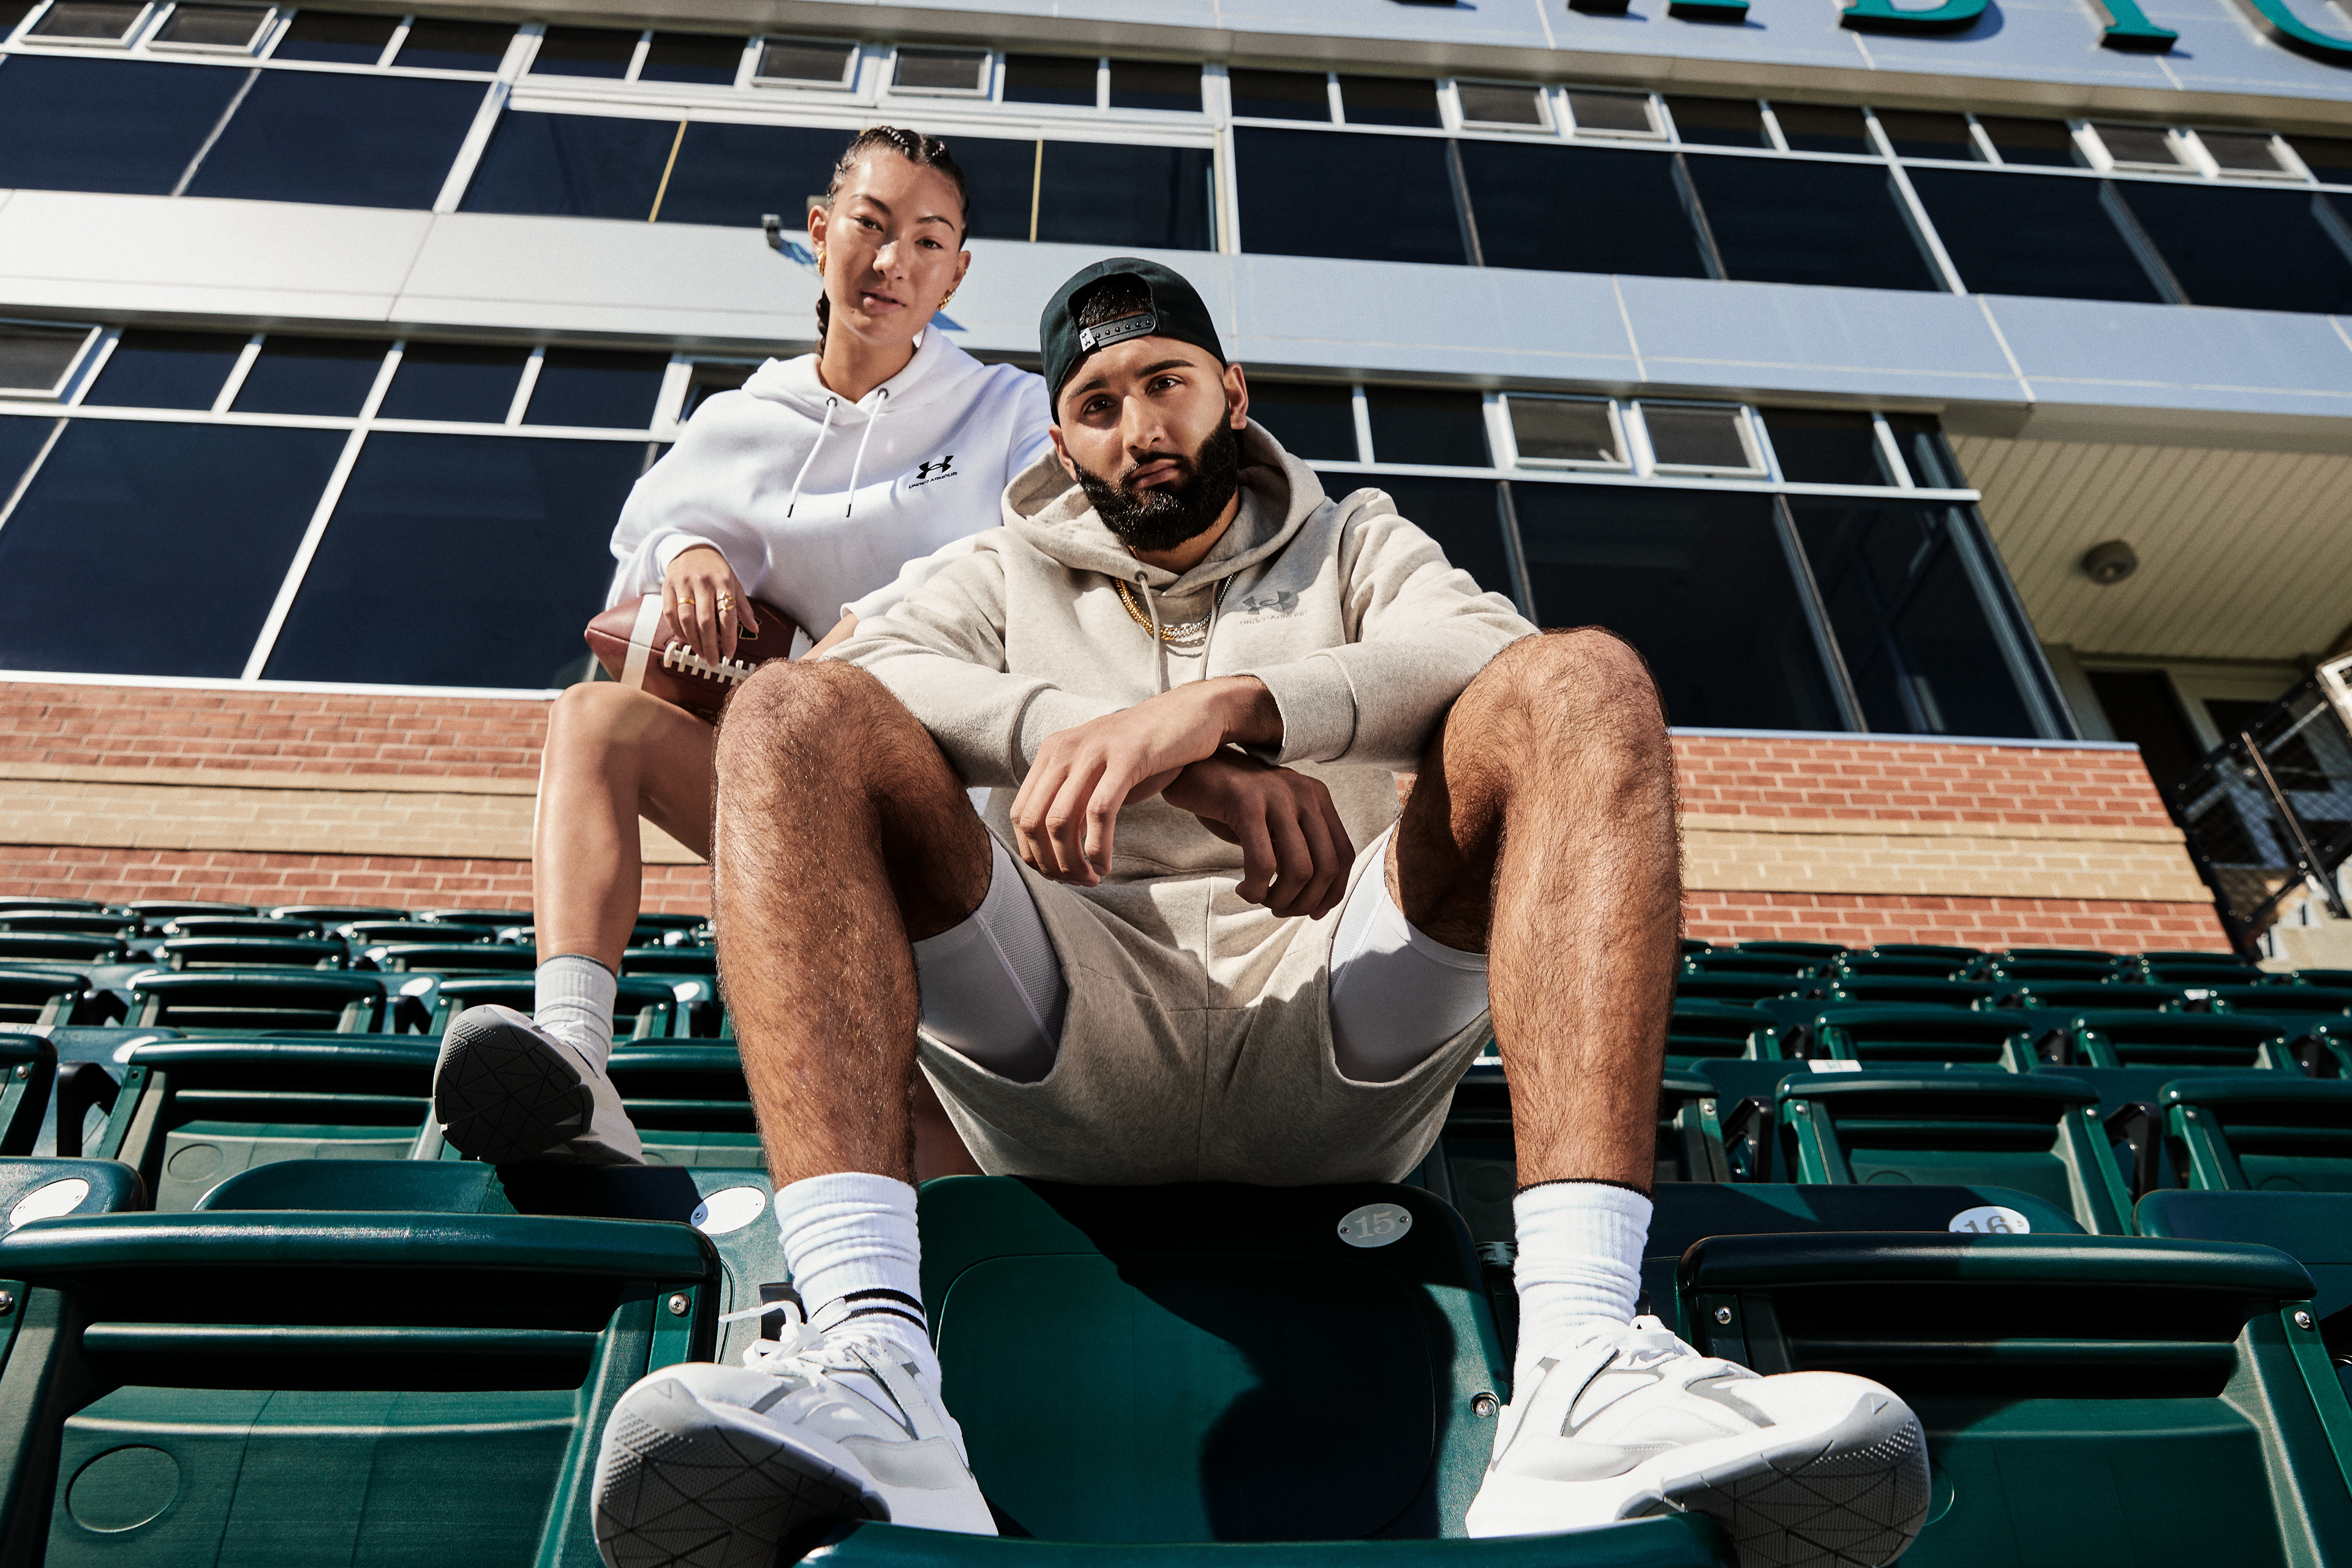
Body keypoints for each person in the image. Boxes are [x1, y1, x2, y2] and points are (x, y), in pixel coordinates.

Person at [586, 260, 1931, 1568]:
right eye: (1098, 405)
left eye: (1165, 382)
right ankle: (872, 1354)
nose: (1138, 427)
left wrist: (1239, 706)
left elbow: (1482, 649)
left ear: (1234, 390)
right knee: (787, 715)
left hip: (1333, 1019)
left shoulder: (1354, 536)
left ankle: (1580, 1362)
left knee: (1582, 685)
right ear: (1061, 436)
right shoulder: (1000, 568)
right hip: (1060, 1037)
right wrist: (1130, 743)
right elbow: (857, 661)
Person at [429, 126, 1049, 1168]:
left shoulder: (1006, 408)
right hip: (808, 792)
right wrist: (687, 549)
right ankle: (576, 1056)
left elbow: (1041, 561)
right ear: (820, 232)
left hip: (958, 810)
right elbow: (637, 576)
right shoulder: (739, 418)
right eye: (871, 224)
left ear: (957, 273)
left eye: (928, 241)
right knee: (594, 722)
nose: (893, 260)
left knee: (926, 1131)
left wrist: (859, 641)